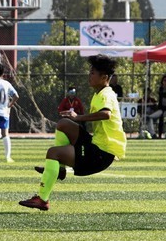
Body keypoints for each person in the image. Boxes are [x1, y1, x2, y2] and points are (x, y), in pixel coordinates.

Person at [21, 55, 126, 211]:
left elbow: (106, 114)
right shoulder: (99, 93)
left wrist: (79, 117)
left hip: (101, 154)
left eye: (92, 73)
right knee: (63, 124)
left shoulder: (106, 94)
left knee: (53, 153)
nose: (89, 76)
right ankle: (60, 169)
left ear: (104, 77)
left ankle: (42, 199)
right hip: (96, 144)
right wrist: (76, 120)